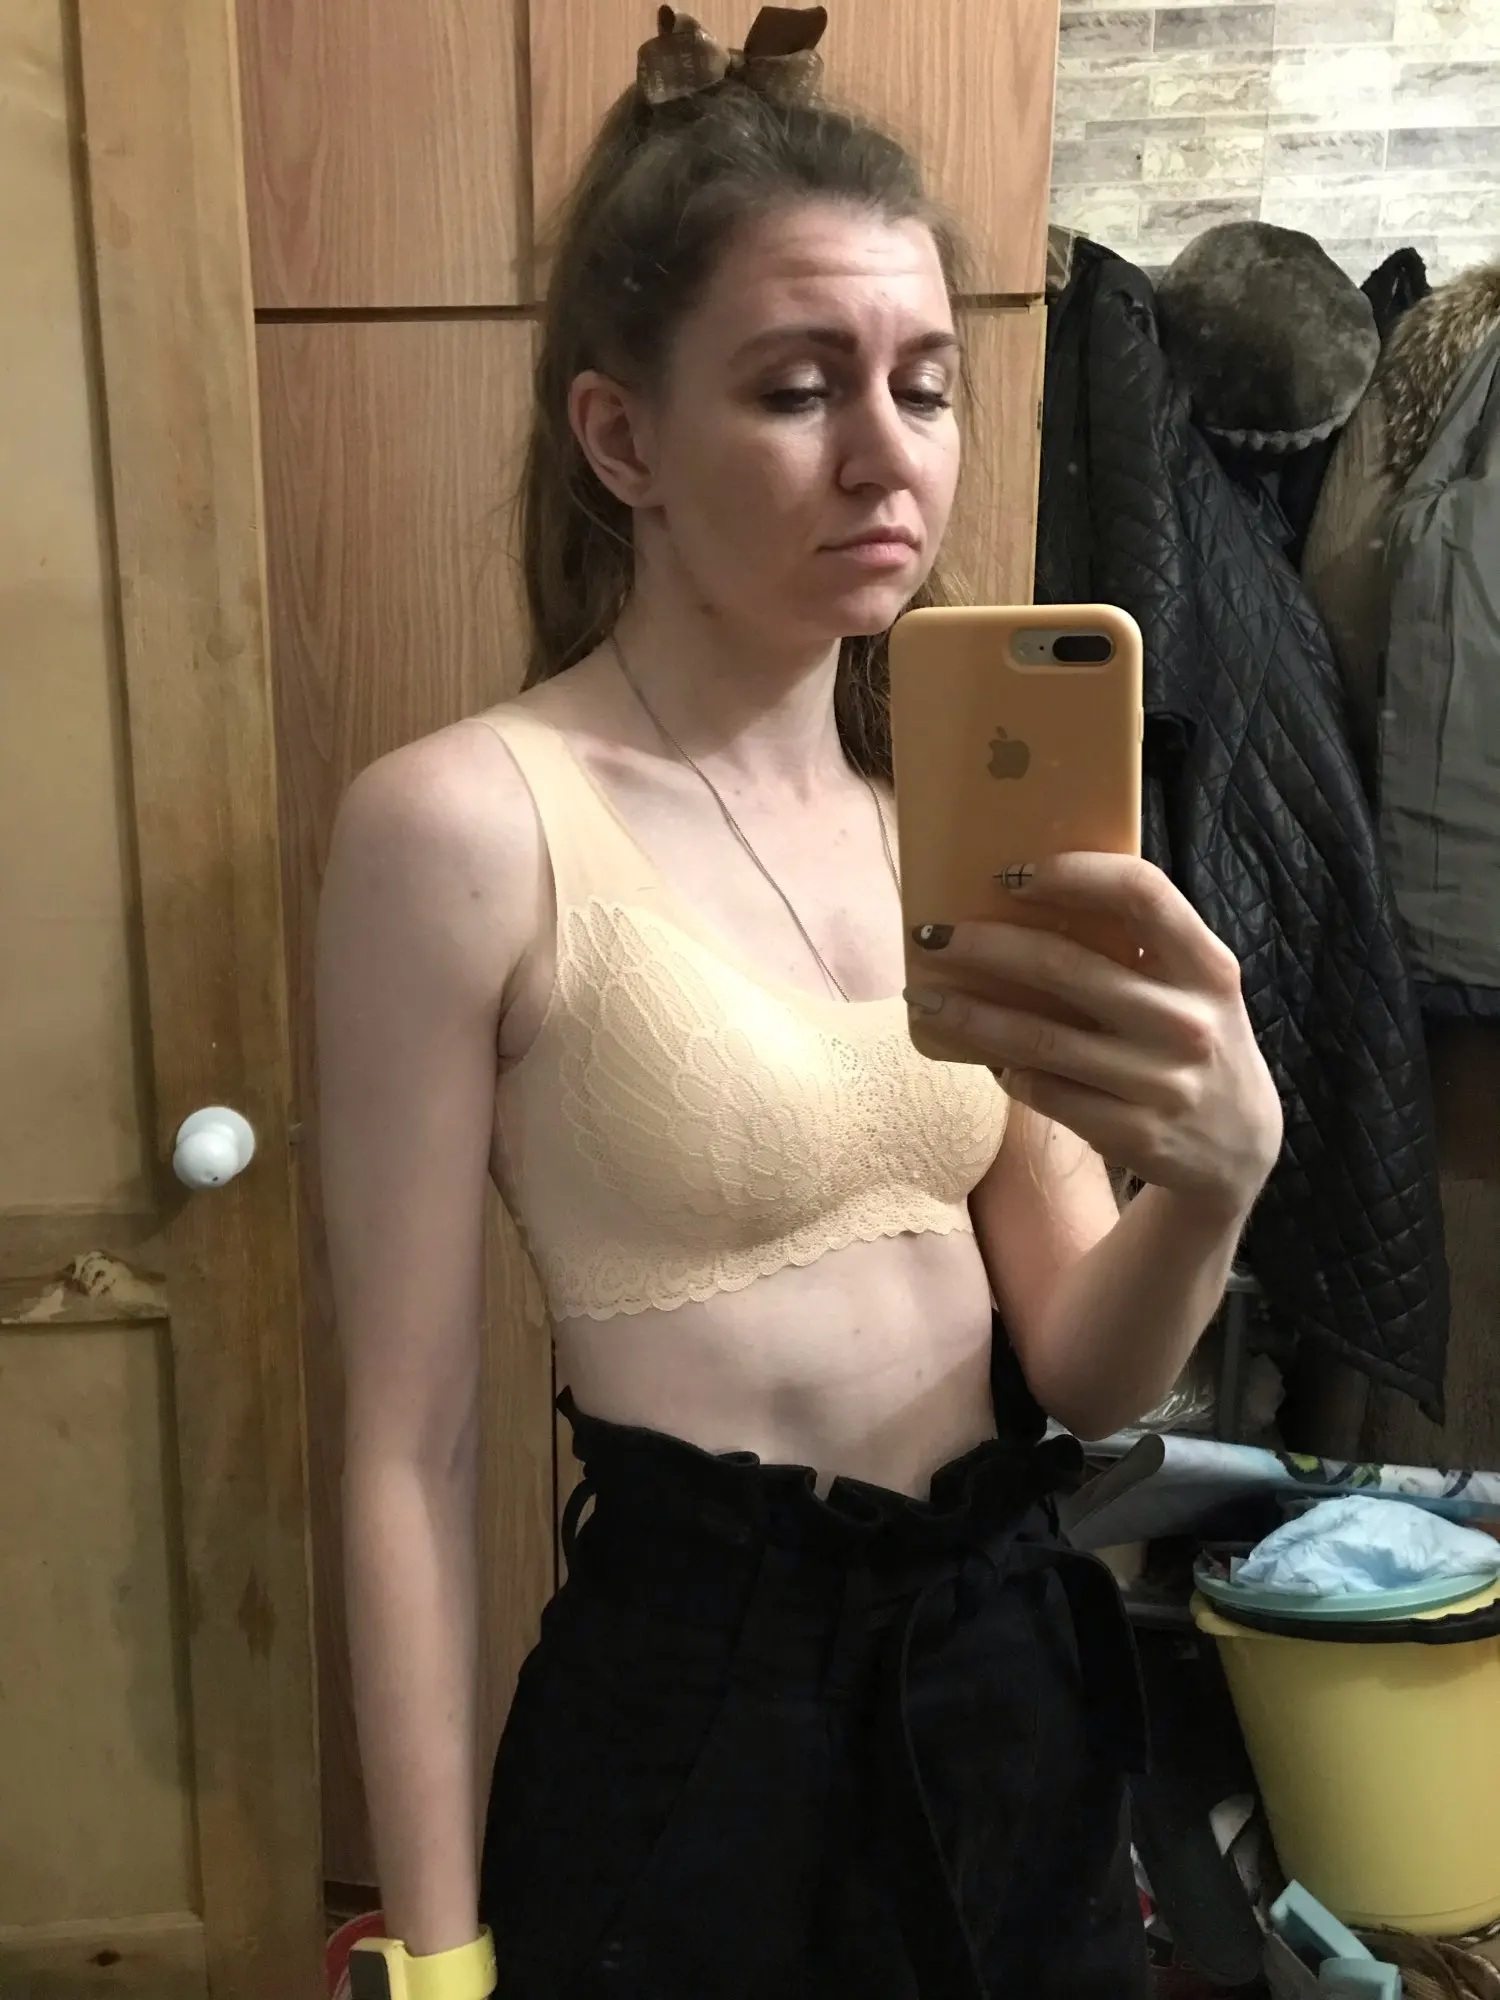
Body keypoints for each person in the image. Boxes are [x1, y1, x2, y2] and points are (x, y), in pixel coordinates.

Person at [316, 10, 1284, 1997]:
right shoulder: (467, 826)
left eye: (925, 385)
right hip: (695, 1733)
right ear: (621, 441)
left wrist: (1214, 1180)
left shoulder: (959, 828)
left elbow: (1087, 1371)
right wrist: (433, 1958)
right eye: (797, 387)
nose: (888, 454)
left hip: (1007, 1690)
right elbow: (408, 1450)